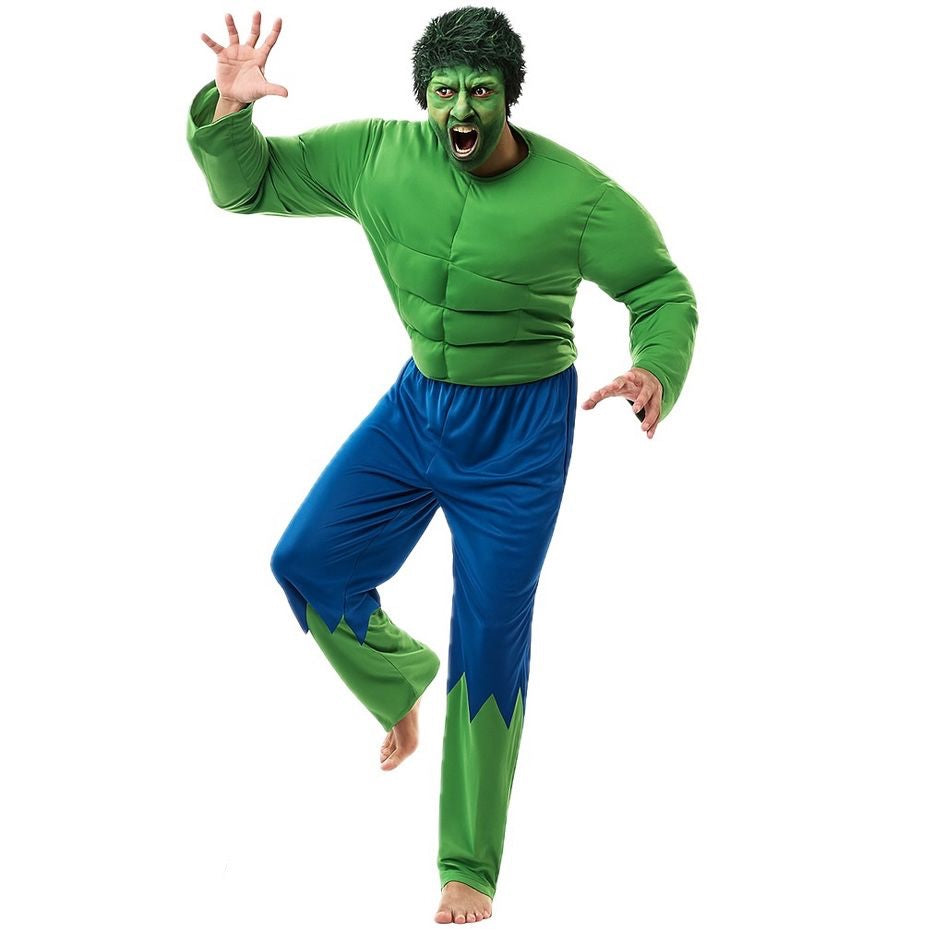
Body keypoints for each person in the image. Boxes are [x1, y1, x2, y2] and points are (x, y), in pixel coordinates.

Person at [186, 5, 698, 924]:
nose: (461, 107)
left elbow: (659, 288)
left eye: (480, 91)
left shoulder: (580, 197)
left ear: (508, 97)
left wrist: (655, 366)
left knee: (489, 638)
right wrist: (230, 112)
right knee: (305, 561)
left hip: (522, 436)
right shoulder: (376, 156)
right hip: (419, 409)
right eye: (446, 90)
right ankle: (395, 677)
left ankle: (468, 867)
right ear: (424, 96)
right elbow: (249, 186)